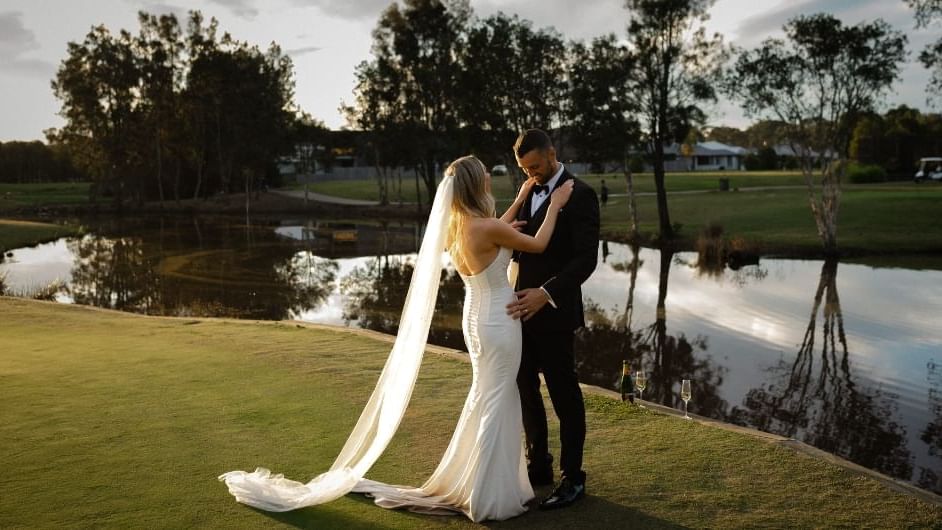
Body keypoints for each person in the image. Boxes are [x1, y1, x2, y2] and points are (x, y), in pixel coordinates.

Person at [219, 155, 574, 523]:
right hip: (500, 322)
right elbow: (538, 243)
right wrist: (556, 205)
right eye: (485, 176)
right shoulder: (487, 228)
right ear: (474, 186)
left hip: (475, 320)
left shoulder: (459, 228)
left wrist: (518, 200)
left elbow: (492, 233)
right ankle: (487, 495)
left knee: (485, 396)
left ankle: (481, 482)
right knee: (498, 398)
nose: (489, 179)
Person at [506, 128, 600, 510]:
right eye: (525, 168)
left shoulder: (582, 194)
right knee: (525, 391)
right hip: (517, 312)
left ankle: (573, 478)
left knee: (565, 396)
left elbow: (585, 260)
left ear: (551, 152)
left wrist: (545, 293)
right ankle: (538, 466)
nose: (532, 173)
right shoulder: (529, 190)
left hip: (556, 313)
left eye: (536, 165)